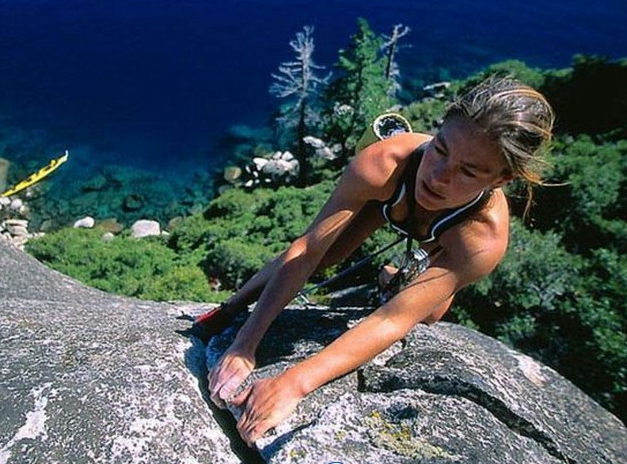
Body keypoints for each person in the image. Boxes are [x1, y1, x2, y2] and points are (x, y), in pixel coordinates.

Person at [206, 75, 556, 445]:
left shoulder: (481, 240)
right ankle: (231, 304)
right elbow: (306, 250)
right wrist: (243, 339)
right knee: (329, 252)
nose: (438, 176)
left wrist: (294, 383)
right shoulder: (385, 162)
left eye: (467, 171)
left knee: (429, 315)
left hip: (446, 236)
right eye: (440, 148)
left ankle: (391, 277)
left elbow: (393, 320)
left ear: (502, 179)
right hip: (388, 200)